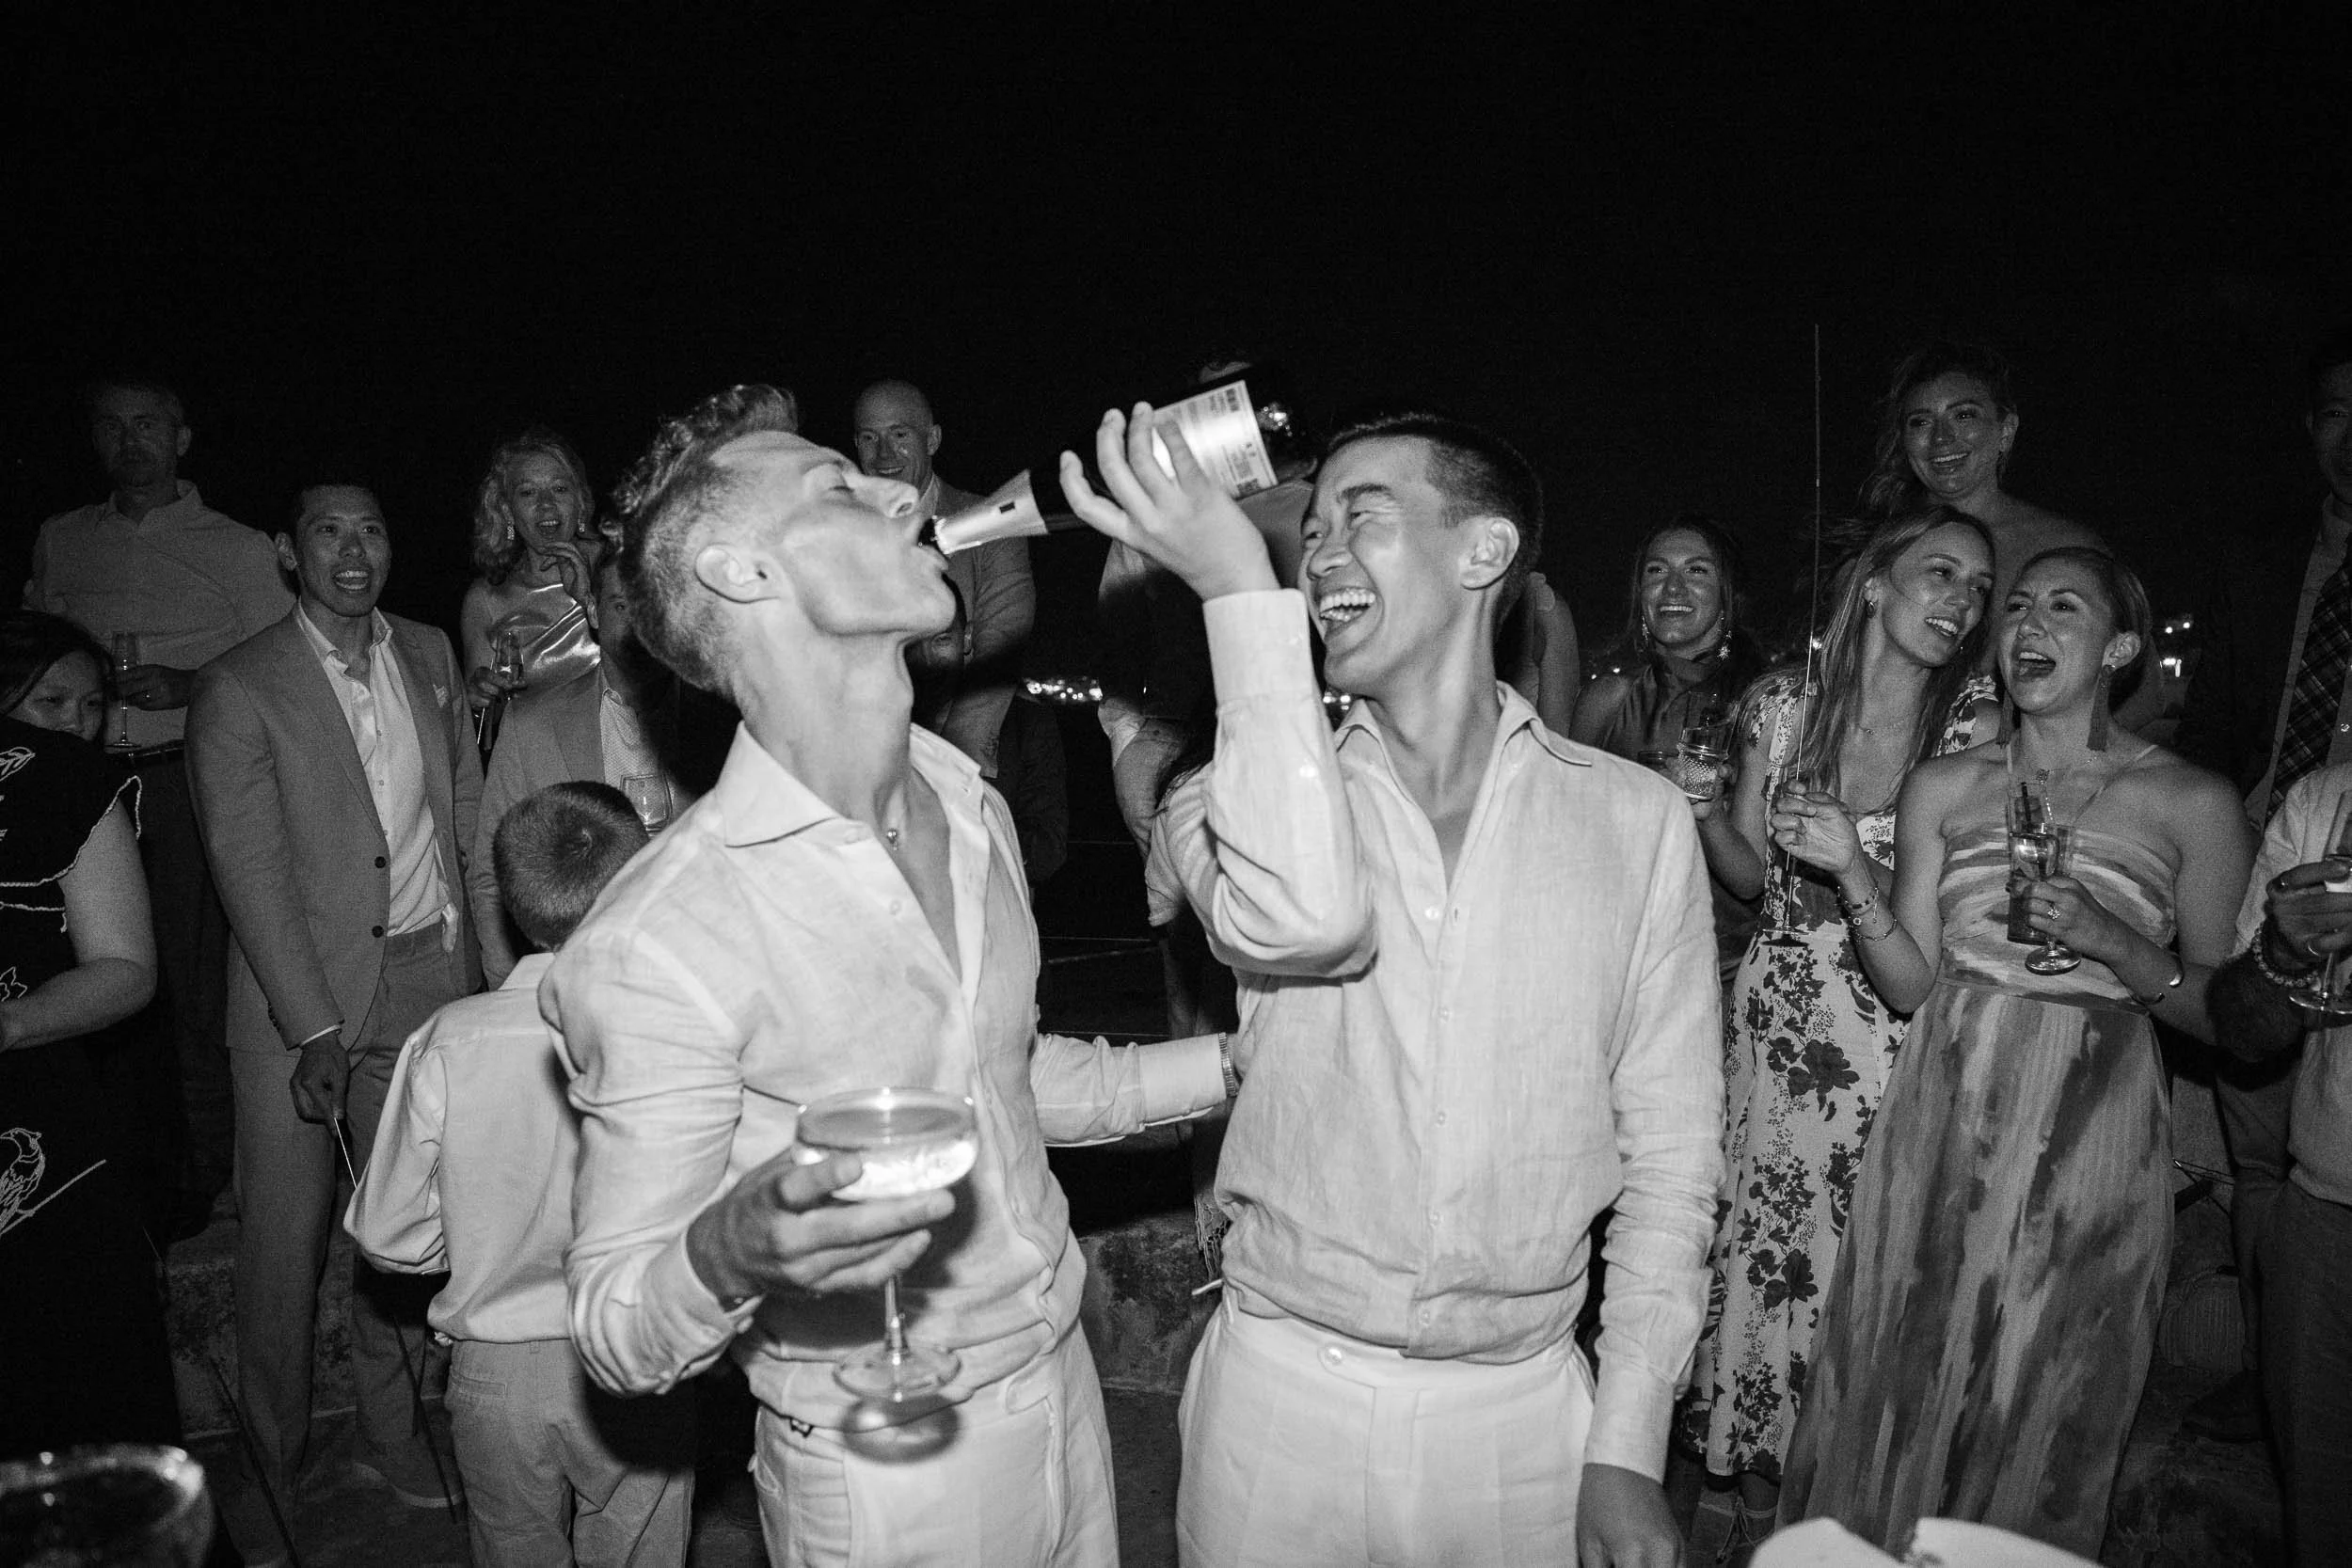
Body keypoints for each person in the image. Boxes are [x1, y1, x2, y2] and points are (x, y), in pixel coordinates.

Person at [546, 384, 1235, 1568]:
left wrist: (1245, 1058)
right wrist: (733, 1251)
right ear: (740, 574)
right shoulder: (660, 937)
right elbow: (616, 1327)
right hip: (883, 1464)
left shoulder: (966, 800)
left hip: (1061, 1387)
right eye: (835, 485)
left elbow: (1006, 1083)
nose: (902, 492)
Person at [1062, 404, 1723, 1565]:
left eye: (1359, 518)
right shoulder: (1232, 803)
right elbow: (1293, 918)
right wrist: (1229, 603)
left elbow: (1672, 1157)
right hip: (1280, 1397)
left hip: (1519, 1420)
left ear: (1485, 551)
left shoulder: (1635, 822)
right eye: (1307, 530)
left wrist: (1626, 1440)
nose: (1318, 554)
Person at [1777, 546, 2253, 1555]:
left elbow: (2224, 1013)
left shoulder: (2191, 801)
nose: (2027, 623)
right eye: (2017, 606)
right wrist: (1852, 871)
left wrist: (2117, 943)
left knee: (2047, 1386)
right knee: (1896, 1372)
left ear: (2120, 644)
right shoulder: (1943, 784)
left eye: (2062, 606)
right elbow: (1908, 982)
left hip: (2090, 1125)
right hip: (1942, 1108)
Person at [1677, 507, 1994, 1557]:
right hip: (1772, 1012)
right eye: (1939, 572)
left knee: (1850, 1260)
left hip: (1882, 1032)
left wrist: (1847, 868)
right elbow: (1753, 874)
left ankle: (1833, 1493)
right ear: (1875, 584)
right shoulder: (1781, 704)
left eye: (1977, 587)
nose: (1960, 600)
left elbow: (1924, 948)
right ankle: (1743, 1474)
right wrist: (1706, 817)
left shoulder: (1972, 731)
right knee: (1755, 1239)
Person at [187, 482, 483, 1556]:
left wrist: (484, 972)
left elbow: (457, 807)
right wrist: (311, 1027)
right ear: (285, 550)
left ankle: (388, 1432)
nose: (353, 549)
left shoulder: (431, 650)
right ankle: (273, 1469)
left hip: (425, 980)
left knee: (405, 1230)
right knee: (284, 1247)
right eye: (328, 530)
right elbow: (247, 867)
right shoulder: (238, 684)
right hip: (295, 1006)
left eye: (372, 527)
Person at [349, 782, 695, 1567]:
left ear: (508, 900)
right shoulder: (682, 1030)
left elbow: (387, 1235)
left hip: (497, 1369)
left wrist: (471, 1231)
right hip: (637, 1351)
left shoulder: (448, 1039)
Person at [25, 374, 293, 1235]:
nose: (129, 440)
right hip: (73, 781)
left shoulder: (240, 546)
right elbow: (31, 658)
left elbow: (284, 664)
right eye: (111, 427)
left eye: (147, 425)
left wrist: (192, 682)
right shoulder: (63, 540)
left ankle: (205, 1174)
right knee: (63, 972)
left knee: (184, 979)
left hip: (182, 778)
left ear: (182, 438)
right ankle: (91, 1164)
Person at [2170, 325, 2352, 1441]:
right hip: (2267, 851)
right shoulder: (2263, 558)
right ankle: (2280, 1362)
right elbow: (2215, 719)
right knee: (2257, 1144)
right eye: (2335, 410)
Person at [0, 713, 175, 1460]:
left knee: (83, 1417)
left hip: (36, 1126)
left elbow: (128, 968)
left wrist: (10, 1024)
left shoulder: (56, 772)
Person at [2205, 759, 2352, 1566]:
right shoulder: (2328, 798)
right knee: (2322, 1523)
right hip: (2328, 1213)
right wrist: (2288, 952)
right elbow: (2245, 1027)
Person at [1094, 355, 1318, 852]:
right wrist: (1128, 747)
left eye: (1236, 403)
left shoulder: (1310, 512)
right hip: (1167, 741)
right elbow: (1118, 646)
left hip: (1290, 741)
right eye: (1209, 407)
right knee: (1176, 919)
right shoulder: (1148, 517)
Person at [469, 554, 709, 984]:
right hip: (575, 983)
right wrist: (512, 994)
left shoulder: (718, 722)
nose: (641, 623)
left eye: (653, 604)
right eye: (622, 605)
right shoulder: (533, 724)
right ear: (594, 612)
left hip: (698, 978)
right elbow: (490, 875)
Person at [1859, 341, 2105, 643]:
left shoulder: (2066, 548)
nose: (1941, 438)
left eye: (1963, 416)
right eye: (1921, 422)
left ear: (2006, 431)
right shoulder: (1877, 550)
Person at [853, 378, 1035, 777]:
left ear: (932, 439)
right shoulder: (837, 531)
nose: (884, 453)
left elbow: (1001, 644)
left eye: (899, 435)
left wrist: (949, 767)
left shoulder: (991, 522)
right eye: (869, 437)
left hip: (955, 764)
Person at [458, 427, 606, 750]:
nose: (546, 505)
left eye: (559, 489)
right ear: (507, 510)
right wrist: (479, 700)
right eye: (528, 493)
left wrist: (589, 600)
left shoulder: (618, 570)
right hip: (537, 768)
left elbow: (657, 678)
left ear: (579, 502)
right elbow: (482, 736)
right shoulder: (486, 599)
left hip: (621, 758)